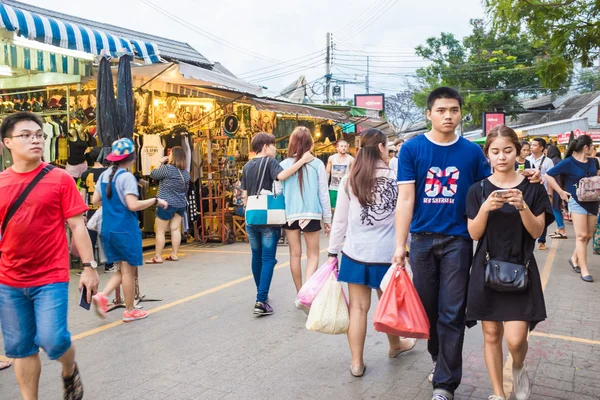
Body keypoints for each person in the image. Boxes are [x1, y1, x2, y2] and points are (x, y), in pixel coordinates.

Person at [394, 87, 540, 400]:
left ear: (461, 113)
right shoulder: (411, 149)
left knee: (452, 312)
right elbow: (405, 199)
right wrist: (398, 246)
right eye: (442, 110)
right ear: (429, 114)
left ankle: (445, 384)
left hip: (458, 241)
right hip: (420, 241)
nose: (448, 116)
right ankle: (439, 358)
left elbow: (495, 181)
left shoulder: (473, 152)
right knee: (428, 311)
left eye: (454, 110)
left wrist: (531, 177)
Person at [0, 111, 99, 400]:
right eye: (26, 135)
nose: (35, 140)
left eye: (39, 135)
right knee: (20, 347)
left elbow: (78, 226)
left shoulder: (60, 179)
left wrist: (89, 267)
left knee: (53, 340)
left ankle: (69, 368)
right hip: (9, 279)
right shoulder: (1, 182)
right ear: (7, 142)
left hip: (50, 277)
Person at [466, 125, 551, 400]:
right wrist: (484, 209)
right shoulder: (478, 189)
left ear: (518, 152)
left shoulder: (533, 187)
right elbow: (474, 234)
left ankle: (517, 367)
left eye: (507, 150)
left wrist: (523, 205)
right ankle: (499, 393)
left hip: (521, 267)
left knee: (515, 340)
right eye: (495, 151)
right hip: (486, 267)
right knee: (491, 334)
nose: (501, 157)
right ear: (487, 154)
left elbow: (537, 231)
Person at [327, 128, 416, 378]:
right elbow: (405, 216)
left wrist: (333, 252)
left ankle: (357, 363)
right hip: (389, 254)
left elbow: (340, 222)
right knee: (389, 303)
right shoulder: (398, 177)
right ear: (380, 148)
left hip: (356, 253)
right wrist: (408, 248)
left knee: (358, 308)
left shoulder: (350, 179)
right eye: (387, 147)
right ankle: (395, 345)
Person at [91, 138, 168, 322]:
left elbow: (95, 200)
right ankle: (130, 310)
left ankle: (103, 296)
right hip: (125, 228)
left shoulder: (104, 175)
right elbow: (133, 205)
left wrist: (113, 205)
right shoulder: (126, 177)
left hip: (109, 228)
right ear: (132, 158)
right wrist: (155, 200)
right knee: (128, 272)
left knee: (122, 270)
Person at [240, 132, 314, 316]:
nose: (275, 149)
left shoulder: (247, 166)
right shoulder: (270, 162)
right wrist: (303, 161)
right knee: (268, 259)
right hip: (269, 218)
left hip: (251, 216)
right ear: (265, 147)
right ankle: (260, 300)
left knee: (256, 257)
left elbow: (244, 195)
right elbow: (282, 176)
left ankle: (261, 295)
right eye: (272, 146)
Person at [281, 126, 332, 298]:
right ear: (310, 143)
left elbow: (278, 191)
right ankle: (306, 295)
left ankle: (299, 293)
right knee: (313, 255)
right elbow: (323, 194)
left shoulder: (283, 164)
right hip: (311, 213)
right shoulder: (317, 164)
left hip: (290, 214)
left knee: (294, 254)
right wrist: (328, 219)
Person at [546, 134, 599, 283]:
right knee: (581, 236)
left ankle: (574, 258)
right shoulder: (568, 162)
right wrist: (561, 192)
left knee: (588, 235)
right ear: (585, 147)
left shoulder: (593, 162)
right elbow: (549, 175)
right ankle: (584, 270)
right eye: (592, 146)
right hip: (576, 202)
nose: (594, 149)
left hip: (593, 202)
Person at [146, 146, 190, 264]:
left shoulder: (167, 169)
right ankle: (174, 254)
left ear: (173, 156)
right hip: (180, 204)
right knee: (175, 229)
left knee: (160, 230)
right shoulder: (186, 173)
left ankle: (158, 256)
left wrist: (160, 162)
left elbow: (153, 174)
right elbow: (186, 189)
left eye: (170, 154)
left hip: (165, 203)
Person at [79, 147, 114, 272]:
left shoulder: (85, 174)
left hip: (91, 210)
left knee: (90, 239)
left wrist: (83, 213)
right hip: (106, 210)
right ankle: (109, 265)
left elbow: (82, 195)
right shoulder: (109, 173)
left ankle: (89, 266)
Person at [526, 138, 554, 250]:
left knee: (542, 215)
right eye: (531, 145)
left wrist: (550, 194)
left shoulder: (548, 161)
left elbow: (551, 178)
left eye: (534, 145)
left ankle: (542, 240)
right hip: (530, 193)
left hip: (543, 193)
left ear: (541, 148)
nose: (532, 147)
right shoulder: (528, 159)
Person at [326, 139, 354, 212]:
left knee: (344, 209)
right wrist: (325, 185)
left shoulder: (351, 159)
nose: (343, 148)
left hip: (345, 188)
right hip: (333, 187)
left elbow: (353, 174)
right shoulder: (331, 158)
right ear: (337, 148)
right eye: (341, 146)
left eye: (345, 146)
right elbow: (327, 172)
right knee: (333, 209)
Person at [546, 144, 567, 240]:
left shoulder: (553, 161)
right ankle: (559, 229)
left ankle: (562, 230)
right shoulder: (559, 160)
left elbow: (552, 178)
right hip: (561, 188)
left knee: (555, 209)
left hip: (556, 189)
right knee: (557, 208)